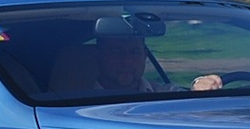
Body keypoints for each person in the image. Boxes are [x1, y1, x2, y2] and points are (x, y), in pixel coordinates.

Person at [93, 34, 223, 93]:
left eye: (135, 52)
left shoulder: (162, 94)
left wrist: (201, 86)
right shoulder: (78, 100)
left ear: (144, 56)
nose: (127, 60)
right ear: (99, 57)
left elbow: (186, 99)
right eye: (117, 52)